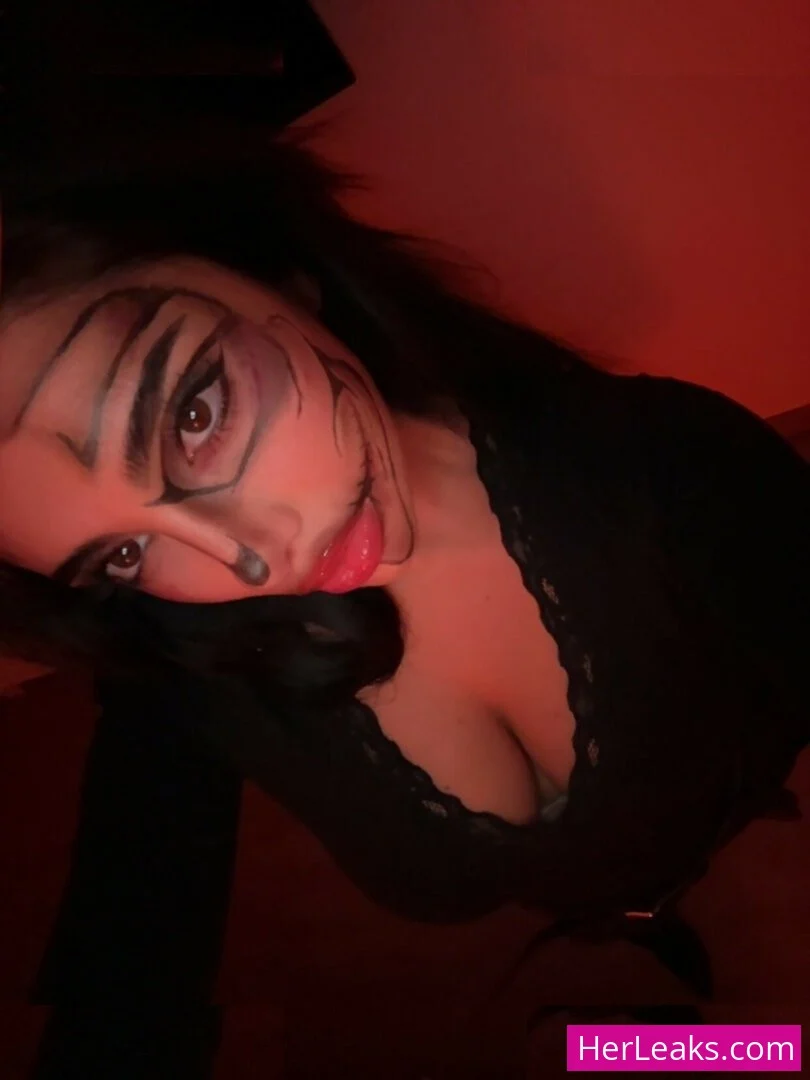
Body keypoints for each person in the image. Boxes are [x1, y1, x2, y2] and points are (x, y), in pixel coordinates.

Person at [1, 122, 807, 946]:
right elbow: (136, 873)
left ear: (271, 270)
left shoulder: (674, 471)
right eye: (124, 554)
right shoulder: (183, 649)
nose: (247, 561)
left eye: (194, 414)